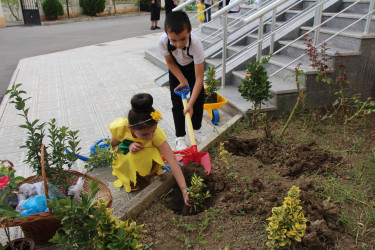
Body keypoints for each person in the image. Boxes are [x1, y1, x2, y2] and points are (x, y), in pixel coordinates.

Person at [110, 93, 189, 205]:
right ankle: (132, 178)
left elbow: (171, 160)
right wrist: (128, 145)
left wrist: (184, 189)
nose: (151, 136)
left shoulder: (156, 134)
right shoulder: (120, 128)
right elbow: (114, 147)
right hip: (127, 159)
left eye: (153, 131)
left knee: (146, 152)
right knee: (134, 154)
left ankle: (149, 173)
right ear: (130, 128)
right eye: (145, 134)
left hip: (146, 159)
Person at [158, 11, 206, 151]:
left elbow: (199, 78)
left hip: (193, 68)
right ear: (167, 34)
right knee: (177, 103)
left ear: (190, 31)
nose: (178, 44)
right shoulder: (163, 41)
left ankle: (196, 130)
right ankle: (180, 137)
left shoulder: (196, 44)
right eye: (173, 40)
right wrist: (182, 80)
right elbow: (170, 63)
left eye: (183, 39)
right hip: (176, 68)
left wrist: (190, 103)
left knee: (197, 100)